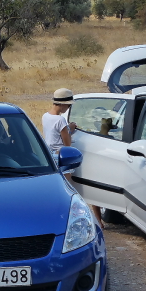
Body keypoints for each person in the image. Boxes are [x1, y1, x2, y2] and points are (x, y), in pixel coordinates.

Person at [42, 88, 103, 227]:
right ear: (63, 104)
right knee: (66, 193)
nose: (68, 108)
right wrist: (69, 130)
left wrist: (67, 128)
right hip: (63, 159)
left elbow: (53, 134)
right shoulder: (60, 120)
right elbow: (67, 144)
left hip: (50, 157)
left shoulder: (45, 116)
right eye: (68, 105)